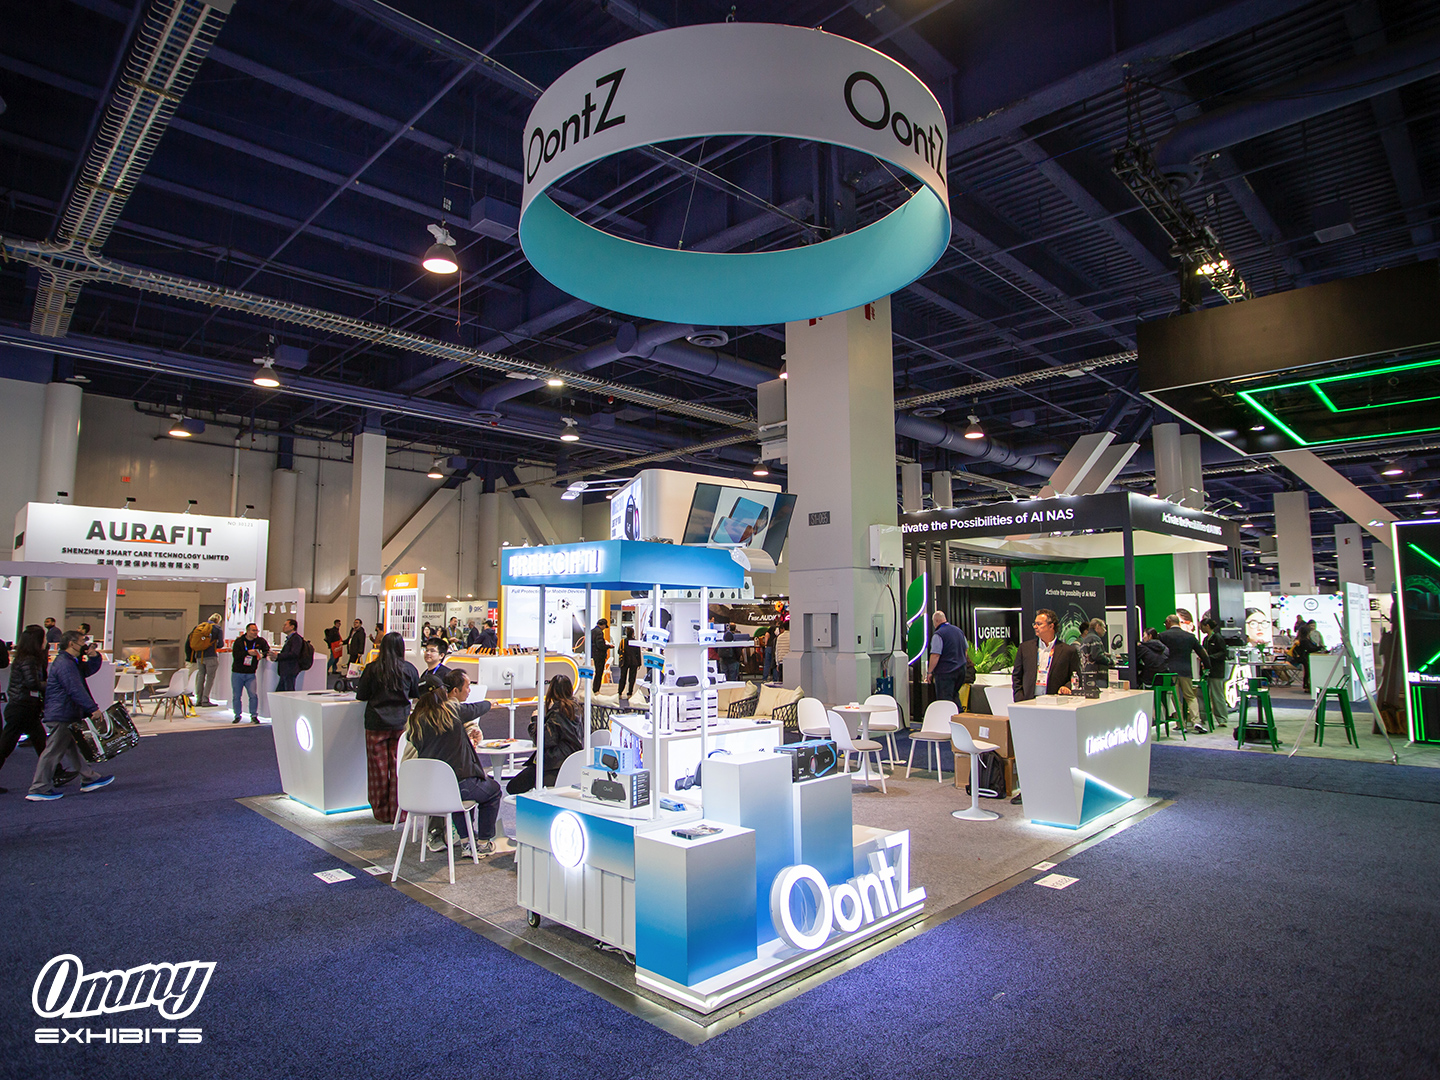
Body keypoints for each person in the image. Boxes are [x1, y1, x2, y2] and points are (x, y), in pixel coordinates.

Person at [406, 668, 501, 857]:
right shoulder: (451, 711)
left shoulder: (415, 721)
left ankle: (466, 842)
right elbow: (475, 709)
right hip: (458, 785)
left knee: (458, 794)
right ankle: (483, 842)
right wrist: (489, 703)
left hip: (429, 788)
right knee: (493, 791)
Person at [27, 630, 112, 801]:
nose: (84, 645)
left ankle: (89, 778)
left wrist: (94, 657)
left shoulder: (69, 662)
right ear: (72, 644)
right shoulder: (65, 664)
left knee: (71, 748)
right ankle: (39, 787)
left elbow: (86, 671)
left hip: (65, 712)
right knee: (53, 751)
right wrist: (92, 708)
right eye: (81, 642)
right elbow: (75, 689)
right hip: (62, 713)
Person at [355, 631, 420, 823]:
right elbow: (415, 693)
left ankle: (380, 811)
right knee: (399, 766)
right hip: (400, 723)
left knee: (378, 769)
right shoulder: (409, 669)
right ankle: (399, 809)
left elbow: (361, 695)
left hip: (376, 722)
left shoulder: (372, 669)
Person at [506, 674, 584, 795]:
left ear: (552, 691)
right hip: (572, 761)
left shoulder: (557, 712)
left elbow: (541, 740)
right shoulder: (577, 709)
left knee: (513, 787)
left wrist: (535, 720)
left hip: (553, 763)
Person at [0, 625, 49, 793]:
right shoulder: (29, 659)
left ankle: (56, 772)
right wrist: (52, 684)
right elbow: (32, 683)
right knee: (6, 746)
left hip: (23, 706)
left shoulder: (24, 658)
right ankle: (55, 772)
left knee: (40, 741)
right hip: (22, 707)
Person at [1012, 608, 1083, 701]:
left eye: (1039, 624)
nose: (1035, 627)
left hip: (1055, 701)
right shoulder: (1025, 648)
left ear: (1051, 626)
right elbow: (1017, 676)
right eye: (1034, 624)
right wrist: (1019, 697)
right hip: (1029, 701)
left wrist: (1067, 687)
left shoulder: (1068, 651)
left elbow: (1076, 676)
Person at [1159, 614, 1206, 733]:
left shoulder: (1163, 636)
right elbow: (1202, 653)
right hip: (1186, 670)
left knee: (1176, 698)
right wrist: (1207, 666)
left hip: (1171, 671)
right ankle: (1196, 721)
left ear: (1169, 622)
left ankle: (1181, 724)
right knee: (1190, 696)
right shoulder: (1190, 636)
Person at [926, 610, 969, 707]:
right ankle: (959, 714)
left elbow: (935, 655)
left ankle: (947, 716)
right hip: (961, 670)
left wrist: (929, 672)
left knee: (945, 700)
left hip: (946, 672)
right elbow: (965, 649)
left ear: (936, 621)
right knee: (954, 695)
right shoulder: (959, 631)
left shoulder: (939, 634)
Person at [230, 623, 269, 724]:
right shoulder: (239, 641)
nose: (255, 632)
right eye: (253, 630)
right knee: (236, 695)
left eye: (256, 630)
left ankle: (254, 715)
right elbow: (236, 655)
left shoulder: (260, 641)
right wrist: (247, 653)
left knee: (253, 695)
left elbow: (267, 651)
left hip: (251, 673)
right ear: (247, 631)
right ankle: (237, 715)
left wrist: (261, 655)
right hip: (237, 672)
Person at [1200, 617, 1229, 728]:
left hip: (1216, 670)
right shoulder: (1206, 640)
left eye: (1202, 627)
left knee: (1217, 694)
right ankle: (1204, 717)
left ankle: (1222, 718)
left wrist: (1209, 657)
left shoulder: (1217, 638)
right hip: (1207, 670)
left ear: (1207, 626)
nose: (1201, 629)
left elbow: (1223, 653)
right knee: (1203, 694)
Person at [193, 613, 223, 707]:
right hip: (211, 655)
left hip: (199, 656)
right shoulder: (217, 628)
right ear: (218, 621)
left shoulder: (200, 627)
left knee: (200, 676)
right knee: (210, 678)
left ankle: (199, 699)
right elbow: (221, 644)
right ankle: (205, 699)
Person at [1079, 618, 1112, 688]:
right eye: (1103, 627)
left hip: (1087, 677)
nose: (1105, 630)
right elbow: (1097, 656)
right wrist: (1110, 661)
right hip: (1098, 677)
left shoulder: (1085, 639)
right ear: (1097, 626)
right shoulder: (1095, 638)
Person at [275, 618, 305, 693]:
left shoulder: (296, 639)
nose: (283, 627)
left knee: (288, 691)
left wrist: (278, 656)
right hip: (286, 670)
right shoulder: (290, 639)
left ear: (292, 627)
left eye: (285, 625)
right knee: (281, 692)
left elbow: (294, 654)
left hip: (290, 669)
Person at [617, 626, 641, 697]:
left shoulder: (623, 641)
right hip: (634, 662)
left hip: (624, 661)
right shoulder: (636, 642)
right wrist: (639, 663)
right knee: (632, 678)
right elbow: (638, 653)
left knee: (622, 677)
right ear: (633, 633)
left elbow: (619, 651)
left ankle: (620, 693)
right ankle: (630, 693)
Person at [590, 618, 611, 693]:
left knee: (597, 672)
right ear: (603, 625)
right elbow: (600, 645)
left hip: (594, 654)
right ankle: (596, 689)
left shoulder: (592, 631)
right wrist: (608, 646)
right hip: (599, 655)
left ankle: (595, 689)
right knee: (599, 673)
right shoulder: (599, 632)